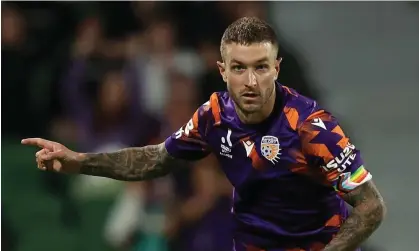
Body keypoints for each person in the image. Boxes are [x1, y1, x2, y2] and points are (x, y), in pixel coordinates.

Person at [22, 17, 386, 251]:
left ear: (277, 67)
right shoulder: (214, 115)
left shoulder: (312, 128)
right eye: (239, 68)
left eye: (261, 67)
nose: (251, 81)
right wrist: (79, 161)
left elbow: (370, 206)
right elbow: (155, 159)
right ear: (222, 70)